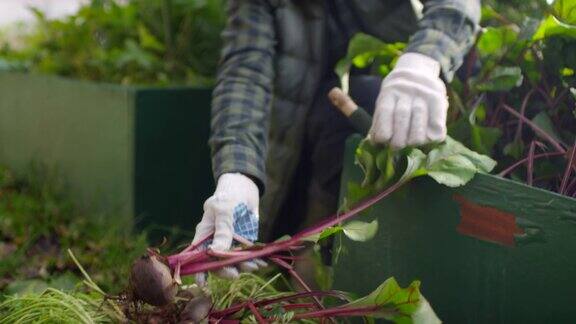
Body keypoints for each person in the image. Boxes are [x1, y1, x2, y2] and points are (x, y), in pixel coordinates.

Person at [192, 0, 481, 280]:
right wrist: (239, 172)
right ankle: (310, 253)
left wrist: (421, 62)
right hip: (297, 154)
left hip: (390, 124)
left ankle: (327, 259)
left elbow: (457, 5)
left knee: (367, 96)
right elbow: (245, 74)